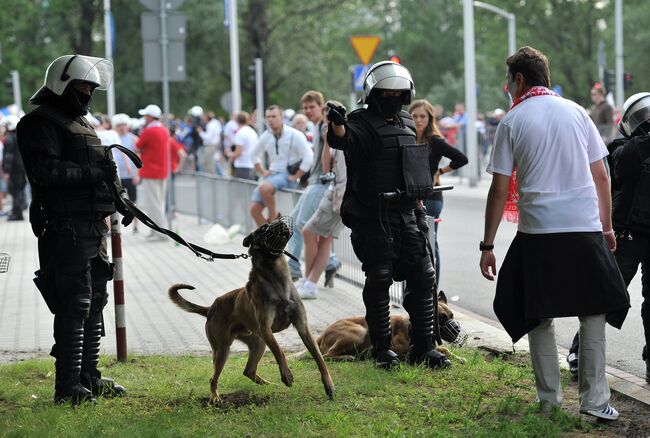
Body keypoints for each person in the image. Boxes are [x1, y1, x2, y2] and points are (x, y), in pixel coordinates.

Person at [479, 46, 630, 420]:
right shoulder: (578, 112)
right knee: (593, 313)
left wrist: (488, 245)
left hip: (539, 233)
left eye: (508, 80)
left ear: (518, 79)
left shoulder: (512, 122)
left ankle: (549, 400)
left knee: (538, 315)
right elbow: (601, 176)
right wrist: (606, 227)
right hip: (583, 229)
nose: (507, 88)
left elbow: (499, 189)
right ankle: (595, 404)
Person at [16, 54, 133, 405]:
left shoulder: (82, 122)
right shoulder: (39, 123)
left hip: (91, 226)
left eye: (92, 87)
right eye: (82, 86)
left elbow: (101, 165)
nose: (88, 93)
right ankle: (67, 388)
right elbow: (46, 175)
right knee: (74, 304)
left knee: (96, 300)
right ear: (62, 84)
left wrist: (120, 199)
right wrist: (92, 175)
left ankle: (88, 377)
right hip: (63, 227)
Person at [327, 61, 450, 370]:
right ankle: (383, 351)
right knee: (380, 279)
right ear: (373, 93)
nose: (393, 97)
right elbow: (343, 139)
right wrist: (337, 122)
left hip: (408, 213)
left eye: (399, 92)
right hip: (374, 216)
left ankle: (424, 346)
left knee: (424, 277)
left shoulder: (408, 122)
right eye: (387, 92)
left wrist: (420, 203)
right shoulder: (360, 121)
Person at [567, 92, 650, 383]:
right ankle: (580, 351)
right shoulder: (622, 147)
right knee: (607, 294)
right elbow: (623, 163)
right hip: (627, 234)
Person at [409, 99, 468, 284]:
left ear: (429, 118)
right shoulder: (406, 137)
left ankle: (433, 290)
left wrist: (440, 172)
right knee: (411, 243)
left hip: (432, 198)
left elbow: (461, 159)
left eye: (422, 116)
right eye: (414, 116)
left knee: (430, 244)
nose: (418, 120)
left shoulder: (434, 141)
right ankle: (413, 288)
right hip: (410, 198)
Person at [287, 91, 341, 285]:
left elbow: (334, 153)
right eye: (306, 108)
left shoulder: (325, 126)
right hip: (314, 182)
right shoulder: (316, 126)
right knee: (295, 223)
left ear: (321, 107)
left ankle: (301, 274)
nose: (308, 111)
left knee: (304, 227)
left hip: (321, 183)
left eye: (312, 107)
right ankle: (330, 263)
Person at [298, 101, 347, 299]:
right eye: (327, 114)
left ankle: (309, 282)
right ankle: (308, 280)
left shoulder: (347, 132)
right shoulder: (331, 134)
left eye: (332, 114)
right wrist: (328, 139)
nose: (329, 118)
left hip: (342, 194)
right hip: (336, 191)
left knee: (309, 232)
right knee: (321, 237)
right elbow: (326, 168)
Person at [249, 105, 313, 226]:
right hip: (272, 175)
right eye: (268, 117)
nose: (270, 119)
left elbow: (309, 156)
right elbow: (252, 154)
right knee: (254, 209)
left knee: (264, 188)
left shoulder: (295, 134)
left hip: (287, 175)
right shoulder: (266, 135)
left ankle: (274, 217)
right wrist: (261, 171)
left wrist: (297, 175)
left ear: (282, 117)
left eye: (274, 116)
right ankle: (269, 240)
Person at [135, 104, 170, 240]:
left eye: (146, 116)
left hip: (150, 170)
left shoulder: (148, 131)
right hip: (162, 171)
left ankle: (162, 233)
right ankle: (155, 231)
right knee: (159, 203)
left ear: (150, 117)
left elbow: (138, 146)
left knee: (152, 204)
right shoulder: (164, 130)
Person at [112, 113, 139, 231]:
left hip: (130, 175)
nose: (122, 127)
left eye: (123, 125)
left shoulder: (134, 139)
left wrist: (137, 174)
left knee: (134, 201)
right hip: (118, 176)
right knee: (117, 201)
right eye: (119, 125)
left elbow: (139, 157)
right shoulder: (113, 138)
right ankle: (116, 226)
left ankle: (136, 226)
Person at [1, 115, 26, 221]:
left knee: (15, 191)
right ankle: (17, 212)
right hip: (21, 169)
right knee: (19, 191)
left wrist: (6, 171)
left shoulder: (10, 138)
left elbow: (9, 156)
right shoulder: (19, 136)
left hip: (14, 170)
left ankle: (17, 214)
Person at [228, 111, 257, 181]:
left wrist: (230, 154)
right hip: (252, 164)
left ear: (237, 121)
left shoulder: (240, 133)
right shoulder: (252, 131)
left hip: (242, 165)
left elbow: (238, 152)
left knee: (239, 190)